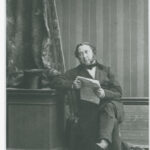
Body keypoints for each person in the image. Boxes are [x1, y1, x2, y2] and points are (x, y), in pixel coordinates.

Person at [51, 42, 124, 150]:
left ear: (93, 52)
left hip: (112, 107)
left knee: (108, 107)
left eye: (86, 52)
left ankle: (103, 143)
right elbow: (56, 81)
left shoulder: (106, 70)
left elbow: (118, 92)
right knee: (112, 122)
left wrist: (104, 93)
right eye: (80, 54)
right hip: (90, 111)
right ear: (78, 57)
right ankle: (107, 143)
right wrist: (72, 84)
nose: (84, 56)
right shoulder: (75, 72)